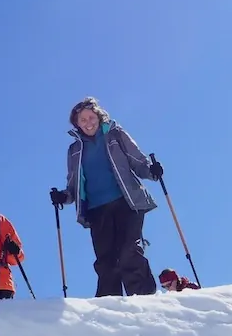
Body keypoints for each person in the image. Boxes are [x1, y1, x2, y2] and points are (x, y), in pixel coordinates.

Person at [49, 96, 162, 297]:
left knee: (129, 250)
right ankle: (108, 305)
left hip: (126, 202)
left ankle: (144, 297)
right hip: (97, 210)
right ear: (76, 124)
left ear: (99, 117)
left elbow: (137, 159)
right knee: (106, 259)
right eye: (82, 120)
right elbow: (74, 184)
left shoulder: (114, 134)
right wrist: (63, 197)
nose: (88, 123)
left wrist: (151, 171)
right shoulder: (75, 150)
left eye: (91, 117)